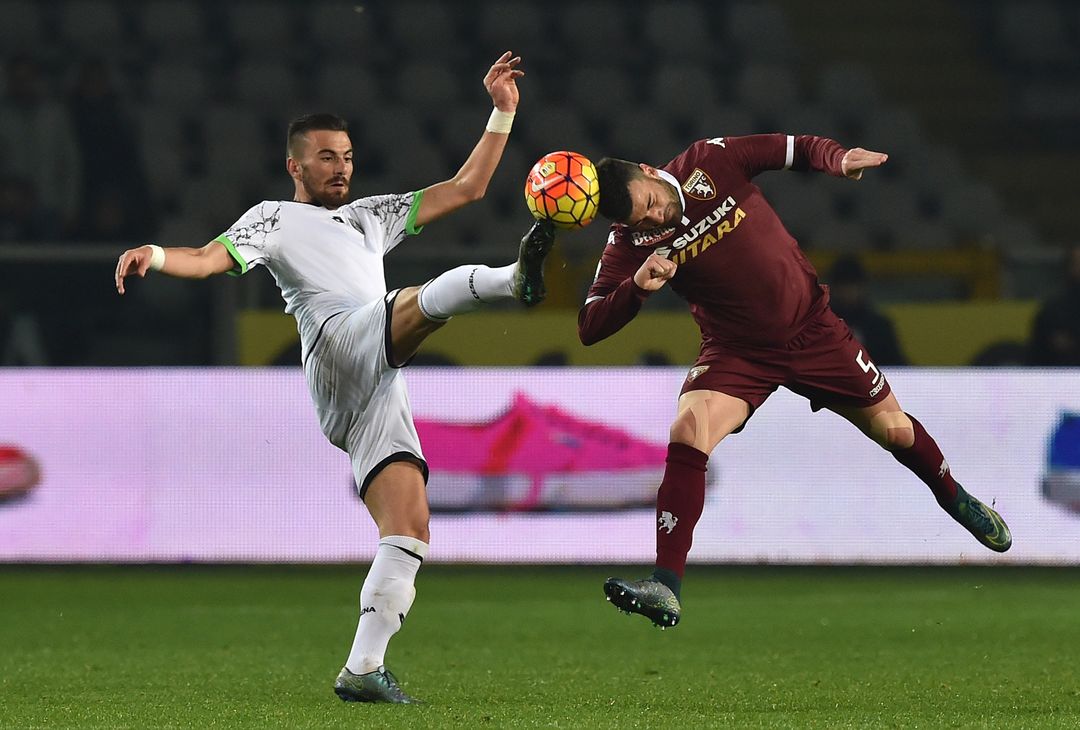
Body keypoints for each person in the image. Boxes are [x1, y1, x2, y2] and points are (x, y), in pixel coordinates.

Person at [115, 52, 556, 703]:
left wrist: (502, 111)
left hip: (374, 387)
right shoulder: (273, 217)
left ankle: (361, 669)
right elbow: (209, 259)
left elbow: (465, 188)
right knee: (417, 302)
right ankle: (511, 281)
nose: (340, 166)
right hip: (336, 348)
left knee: (409, 529)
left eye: (346, 155)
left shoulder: (369, 218)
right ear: (295, 165)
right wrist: (155, 253)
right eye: (326, 156)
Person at [580, 134, 1011, 629]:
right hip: (736, 351)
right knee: (688, 430)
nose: (655, 219)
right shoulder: (627, 244)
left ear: (649, 170)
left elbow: (795, 148)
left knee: (894, 431)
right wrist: (634, 289)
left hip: (813, 330)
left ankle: (953, 496)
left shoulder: (712, 160)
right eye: (642, 219)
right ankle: (666, 583)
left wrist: (838, 159)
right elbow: (591, 326)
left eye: (652, 205)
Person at [826, 254, 907, 366]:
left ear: (862, 287)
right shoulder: (821, 326)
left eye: (852, 285)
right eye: (844, 286)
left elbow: (898, 367)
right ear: (834, 288)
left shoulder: (879, 327)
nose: (848, 292)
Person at [1028, 244, 1080, 366]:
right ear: (1070, 268)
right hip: (1063, 380)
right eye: (1078, 263)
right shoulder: (1054, 311)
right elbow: (1037, 357)